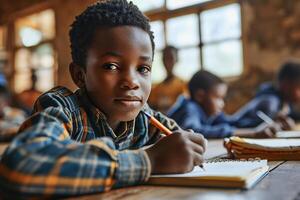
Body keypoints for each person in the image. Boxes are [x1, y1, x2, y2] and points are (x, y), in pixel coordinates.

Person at [0, 0, 207, 197]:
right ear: (80, 75)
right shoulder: (62, 108)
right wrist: (150, 160)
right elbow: (23, 165)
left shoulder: (146, 119)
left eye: (143, 68)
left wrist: (188, 147)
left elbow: (178, 142)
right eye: (111, 66)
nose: (132, 82)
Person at [168, 70, 281, 138]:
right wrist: (253, 133)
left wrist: (263, 124)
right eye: (218, 98)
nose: (222, 104)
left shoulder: (211, 113)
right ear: (200, 96)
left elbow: (233, 122)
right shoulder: (191, 107)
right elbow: (192, 130)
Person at [229, 61, 300, 128]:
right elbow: (240, 125)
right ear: (286, 85)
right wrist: (274, 122)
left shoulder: (284, 103)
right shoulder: (270, 102)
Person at [148, 45, 186, 114]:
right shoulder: (157, 88)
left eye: (170, 58)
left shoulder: (183, 85)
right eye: (165, 58)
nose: (167, 62)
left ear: (176, 59)